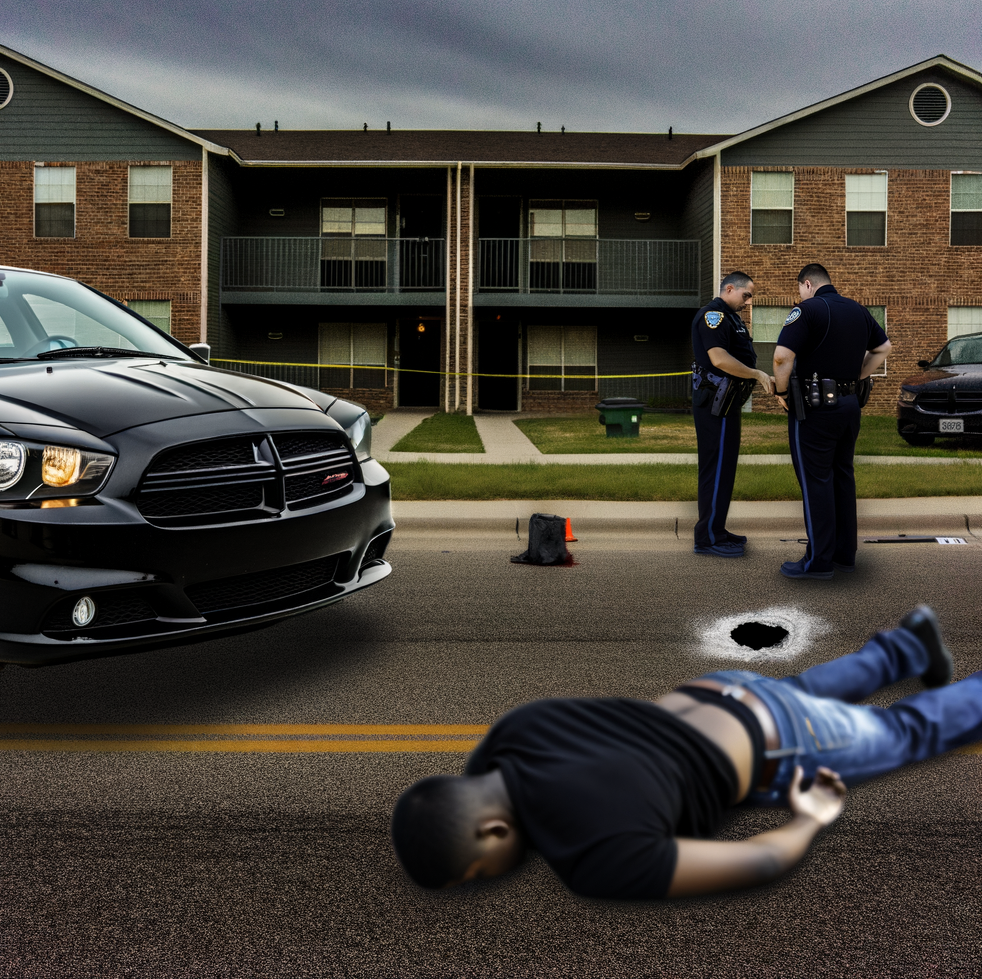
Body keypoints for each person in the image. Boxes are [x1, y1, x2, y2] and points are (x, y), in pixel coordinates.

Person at [391, 605, 977, 899]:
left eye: (476, 873)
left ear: (493, 833)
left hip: (778, 741)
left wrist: (810, 820)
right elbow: (475, 780)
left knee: (908, 733)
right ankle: (907, 646)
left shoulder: (596, 860)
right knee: (798, 689)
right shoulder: (512, 732)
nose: (485, 880)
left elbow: (760, 863)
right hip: (719, 688)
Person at [772, 264, 891, 579]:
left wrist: (782, 391)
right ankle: (844, 556)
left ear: (807, 284)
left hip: (815, 410)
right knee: (842, 477)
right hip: (850, 405)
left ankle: (819, 562)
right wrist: (855, 376)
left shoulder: (808, 310)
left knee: (816, 482)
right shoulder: (858, 310)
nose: (800, 294)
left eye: (800, 289)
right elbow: (883, 348)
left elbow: (782, 357)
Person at [690, 272, 774, 558]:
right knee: (715, 469)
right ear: (729, 288)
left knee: (725, 469)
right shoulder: (713, 316)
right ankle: (707, 538)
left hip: (727, 403)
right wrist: (757, 374)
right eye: (746, 295)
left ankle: (718, 529)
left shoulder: (732, 318)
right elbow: (719, 359)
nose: (748, 302)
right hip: (716, 403)